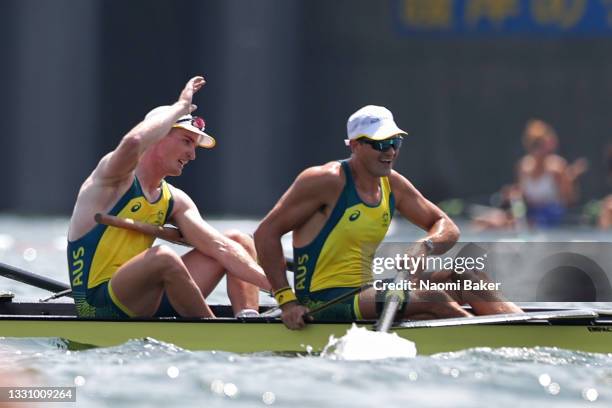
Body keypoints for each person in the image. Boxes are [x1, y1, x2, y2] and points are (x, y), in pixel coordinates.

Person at [254, 105, 521, 330]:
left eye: (395, 142)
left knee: (466, 274)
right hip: (322, 302)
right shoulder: (324, 180)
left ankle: (522, 328)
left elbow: (446, 225)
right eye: (380, 144)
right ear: (355, 145)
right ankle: (492, 343)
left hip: (366, 292)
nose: (390, 152)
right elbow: (266, 233)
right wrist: (286, 301)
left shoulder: (392, 184)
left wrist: (424, 245)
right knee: (431, 298)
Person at [67, 76, 270, 319]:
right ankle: (213, 333)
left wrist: (283, 291)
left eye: (194, 146)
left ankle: (249, 320)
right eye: (186, 141)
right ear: (158, 137)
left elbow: (220, 248)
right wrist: (180, 107)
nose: (192, 155)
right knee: (162, 257)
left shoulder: (175, 199)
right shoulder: (112, 180)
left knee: (238, 241)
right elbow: (133, 141)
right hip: (98, 306)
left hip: (147, 299)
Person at [516, 119, 587, 228]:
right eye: (535, 144)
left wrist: (568, 180)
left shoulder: (558, 167)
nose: (539, 149)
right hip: (529, 215)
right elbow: (522, 197)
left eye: (541, 144)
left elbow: (569, 200)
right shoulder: (522, 166)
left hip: (551, 218)